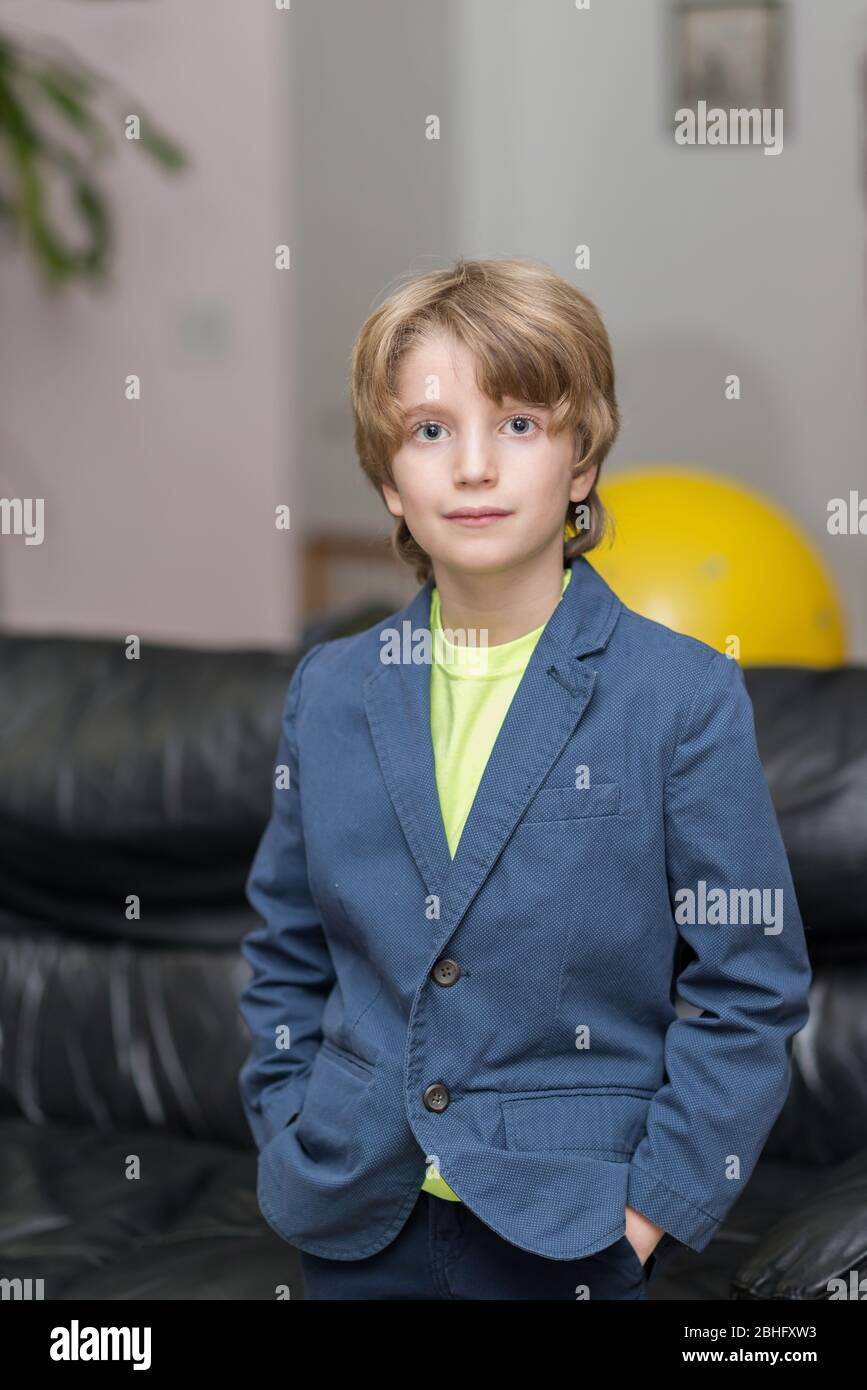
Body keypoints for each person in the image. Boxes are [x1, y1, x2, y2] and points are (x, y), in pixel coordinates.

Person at [238, 257, 813, 1300]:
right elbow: (285, 949)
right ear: (387, 481)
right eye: (429, 430)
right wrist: (288, 1123)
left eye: (518, 425)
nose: (472, 467)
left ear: (581, 462)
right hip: (356, 1221)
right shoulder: (332, 689)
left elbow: (751, 984)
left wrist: (648, 1214)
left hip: (572, 1233)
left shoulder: (679, 695)